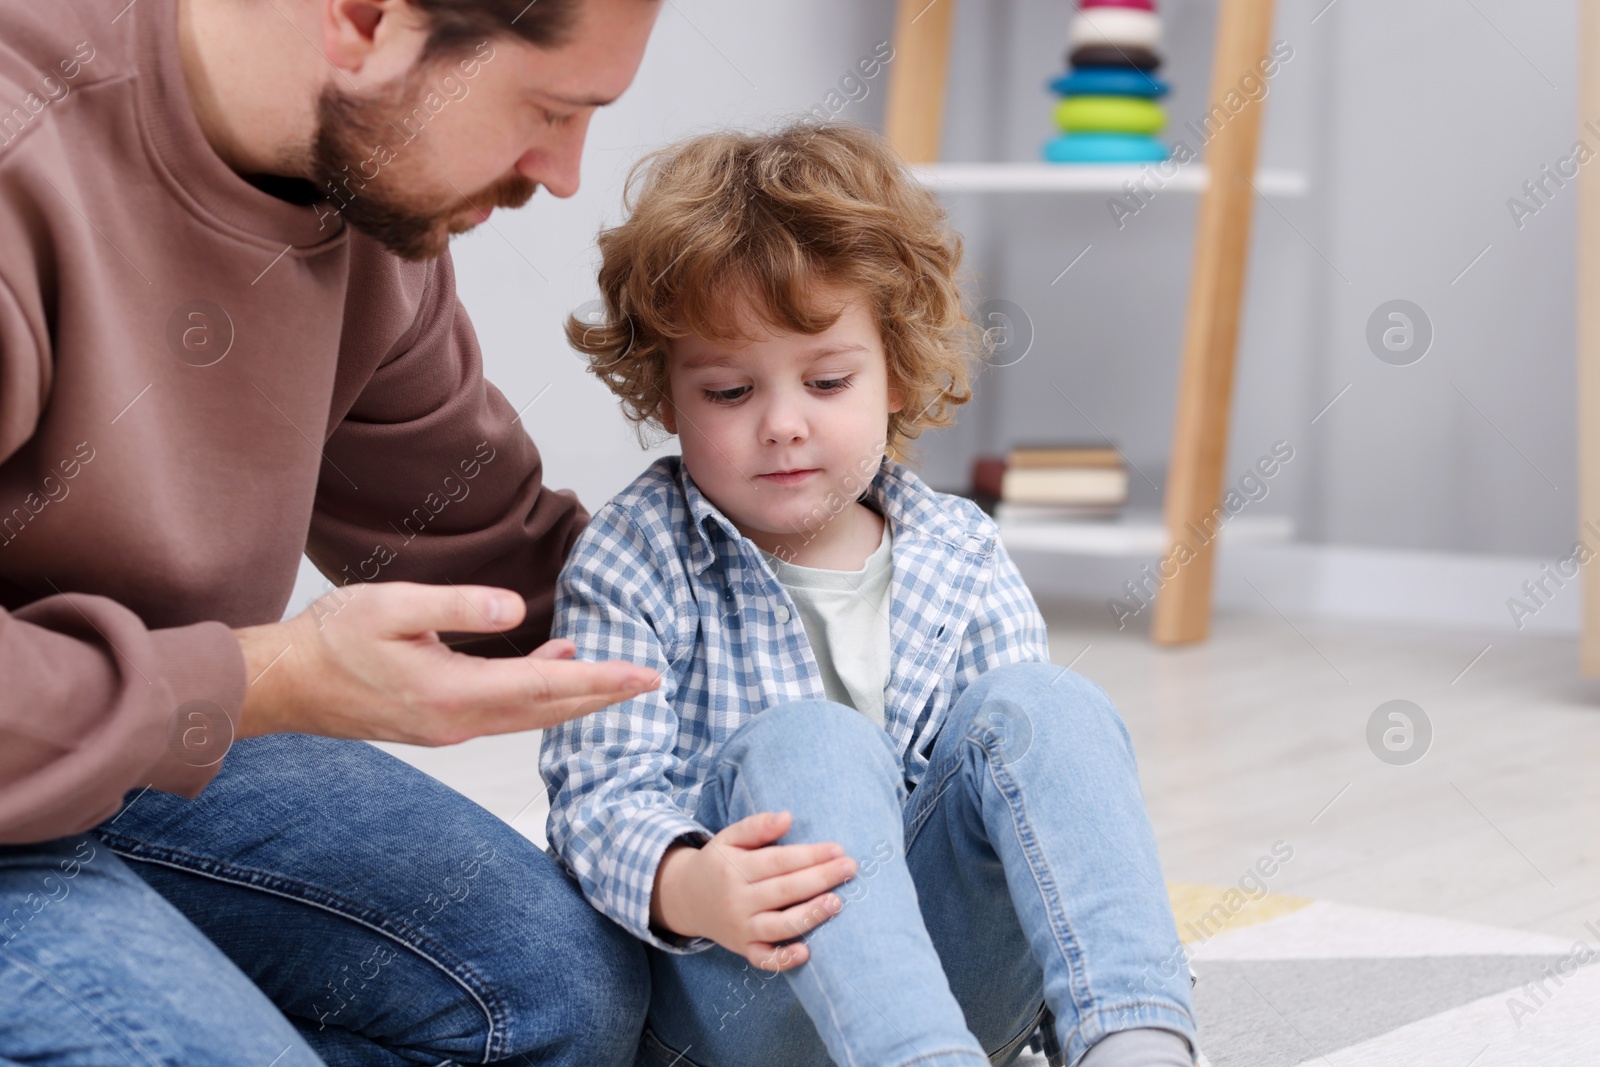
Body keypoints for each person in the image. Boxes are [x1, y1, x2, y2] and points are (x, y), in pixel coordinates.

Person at [0, 0, 666, 1061]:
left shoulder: (359, 199)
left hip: (128, 743)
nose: (565, 172)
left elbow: (493, 538)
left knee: (558, 990)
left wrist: (820, 610)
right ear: (363, 19)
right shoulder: (22, 146)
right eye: (548, 108)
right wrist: (263, 678)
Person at [542, 121, 1200, 1067]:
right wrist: (694, 884)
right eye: (728, 391)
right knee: (812, 739)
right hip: (743, 994)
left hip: (957, 984)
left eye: (827, 379)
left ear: (895, 369)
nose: (782, 425)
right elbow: (597, 798)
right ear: (666, 395)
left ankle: (1138, 1043)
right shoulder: (632, 556)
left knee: (1048, 706)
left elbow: (1036, 821)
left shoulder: (961, 551)